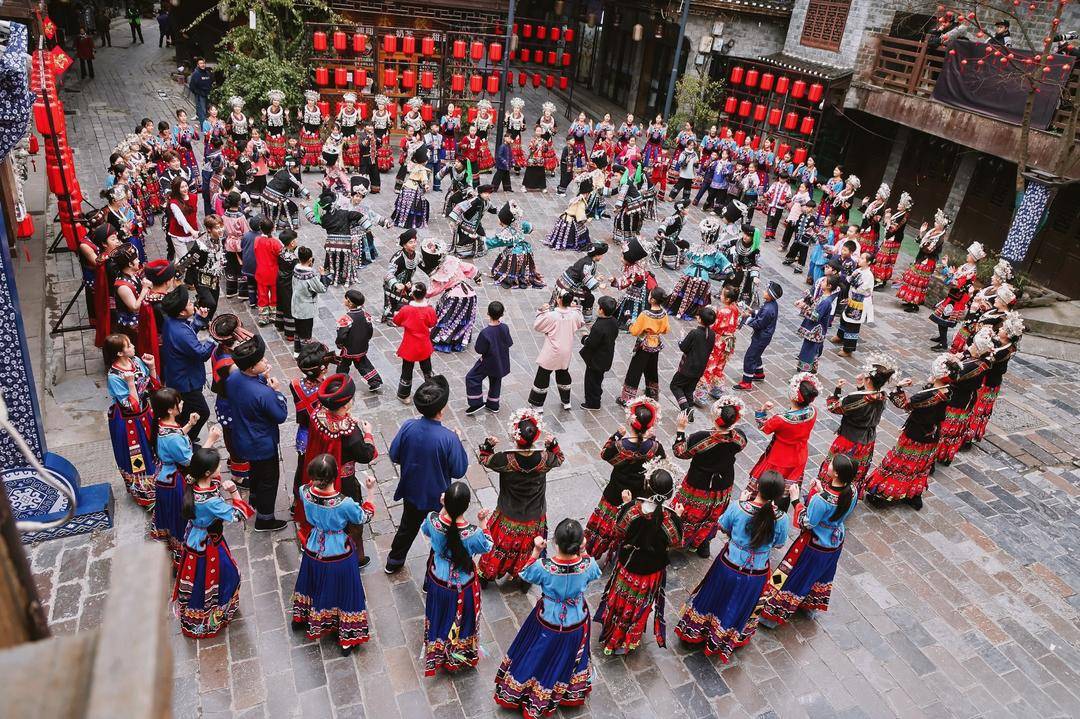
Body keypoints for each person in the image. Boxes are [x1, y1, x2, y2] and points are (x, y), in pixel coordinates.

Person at [674, 471, 793, 661]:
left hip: (729, 565)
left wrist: (741, 503)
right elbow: (779, 544)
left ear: (758, 487)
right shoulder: (782, 519)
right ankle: (722, 639)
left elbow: (722, 526)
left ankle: (696, 633)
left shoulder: (739, 507)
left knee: (712, 597)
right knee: (737, 605)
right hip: (756, 573)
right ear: (779, 495)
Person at [492, 520, 602, 715]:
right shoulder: (588, 565)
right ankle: (563, 691)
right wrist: (584, 551)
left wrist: (536, 551)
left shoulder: (545, 567)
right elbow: (596, 573)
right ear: (579, 543)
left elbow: (525, 573)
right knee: (568, 658)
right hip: (576, 621)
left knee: (536, 653)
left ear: (555, 543)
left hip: (548, 620)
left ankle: (524, 688)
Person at [594, 462, 683, 655]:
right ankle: (627, 640)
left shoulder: (632, 510)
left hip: (628, 566)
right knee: (638, 605)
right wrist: (678, 516)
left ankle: (612, 635)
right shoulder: (671, 520)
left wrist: (626, 503)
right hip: (650, 573)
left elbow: (618, 532)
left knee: (620, 600)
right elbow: (676, 542)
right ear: (670, 494)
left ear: (646, 485)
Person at [759, 455, 857, 628]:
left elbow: (807, 522)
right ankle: (808, 605)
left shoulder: (821, 500)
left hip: (813, 545)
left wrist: (796, 500)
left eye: (831, 464)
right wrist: (821, 490)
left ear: (836, 473)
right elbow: (836, 508)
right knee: (819, 576)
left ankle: (771, 615)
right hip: (834, 543)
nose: (828, 464)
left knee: (791, 575)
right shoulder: (853, 491)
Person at [291, 454, 376, 654]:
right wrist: (371, 492)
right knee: (346, 591)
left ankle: (302, 618)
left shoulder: (304, 492)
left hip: (314, 545)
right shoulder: (344, 503)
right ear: (336, 475)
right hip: (339, 551)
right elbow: (364, 517)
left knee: (310, 582)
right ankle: (347, 638)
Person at [385, 375, 469, 573]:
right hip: (439, 498)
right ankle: (433, 571)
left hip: (412, 492)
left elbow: (394, 454)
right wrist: (457, 441)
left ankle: (394, 561)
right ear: (441, 410)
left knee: (407, 527)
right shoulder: (449, 438)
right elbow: (459, 470)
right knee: (440, 535)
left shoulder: (408, 426)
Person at [294, 374, 379, 562]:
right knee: (351, 521)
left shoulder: (317, 414)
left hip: (323, 469)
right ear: (346, 405)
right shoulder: (350, 433)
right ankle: (355, 555)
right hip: (344, 481)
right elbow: (366, 455)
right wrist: (368, 434)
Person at [476, 409, 564, 585]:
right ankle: (524, 579)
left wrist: (488, 446)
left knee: (498, 548)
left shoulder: (505, 459)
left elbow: (484, 459)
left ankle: (486, 576)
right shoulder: (545, 458)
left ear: (516, 436)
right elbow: (559, 458)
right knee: (529, 549)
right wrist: (553, 445)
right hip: (534, 515)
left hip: (508, 514)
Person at [173, 448, 254, 638]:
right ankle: (214, 612)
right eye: (217, 466)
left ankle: (197, 610)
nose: (220, 468)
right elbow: (238, 515)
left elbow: (210, 479)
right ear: (208, 472)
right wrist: (234, 491)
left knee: (197, 577)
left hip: (195, 537)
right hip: (209, 543)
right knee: (227, 574)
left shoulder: (192, 481)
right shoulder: (211, 502)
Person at [864, 354, 958, 510]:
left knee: (901, 463)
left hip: (915, 434)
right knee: (920, 466)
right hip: (932, 435)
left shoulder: (928, 395)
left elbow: (904, 404)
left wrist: (898, 388)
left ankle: (884, 494)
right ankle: (913, 495)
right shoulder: (948, 390)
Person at [420, 481, 493, 676]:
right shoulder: (473, 534)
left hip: (437, 579)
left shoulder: (433, 520)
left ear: (445, 501)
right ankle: (456, 655)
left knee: (438, 614)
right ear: (467, 506)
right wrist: (483, 523)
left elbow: (425, 530)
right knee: (461, 622)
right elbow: (488, 546)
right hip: (462, 586)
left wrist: (443, 509)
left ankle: (437, 649)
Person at [584, 398, 665, 563]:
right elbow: (660, 462)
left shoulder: (619, 446)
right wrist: (652, 439)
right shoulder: (655, 447)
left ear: (631, 422)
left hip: (615, 492)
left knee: (605, 525)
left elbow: (604, 454)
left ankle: (591, 553)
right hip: (638, 494)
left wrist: (616, 435)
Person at [150, 388, 221, 566]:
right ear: (170, 410)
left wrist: (189, 425)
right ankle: (185, 556)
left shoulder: (161, 424)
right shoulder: (172, 437)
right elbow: (193, 462)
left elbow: (175, 438)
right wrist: (211, 440)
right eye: (178, 402)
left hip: (166, 475)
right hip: (175, 481)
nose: (182, 403)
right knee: (182, 518)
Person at [225, 334, 290, 531]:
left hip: (243, 437)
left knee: (255, 471)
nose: (266, 361)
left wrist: (264, 377)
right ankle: (265, 519)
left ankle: (254, 498)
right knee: (269, 479)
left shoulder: (234, 378)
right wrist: (277, 392)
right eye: (261, 360)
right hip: (262, 443)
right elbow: (280, 415)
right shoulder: (265, 393)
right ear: (251, 368)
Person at [673, 396, 748, 557]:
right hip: (723, 485)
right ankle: (703, 543)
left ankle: (679, 540)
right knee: (712, 515)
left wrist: (680, 429)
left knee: (690, 513)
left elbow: (680, 452)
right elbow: (741, 446)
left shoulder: (701, 437)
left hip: (698, 485)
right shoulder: (739, 437)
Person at [816, 357, 896, 492]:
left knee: (837, 468)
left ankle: (828, 493)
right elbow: (866, 402)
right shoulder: (882, 396)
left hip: (849, 440)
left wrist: (837, 390)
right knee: (856, 471)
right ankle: (849, 494)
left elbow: (833, 407)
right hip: (867, 441)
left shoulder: (855, 398)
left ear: (868, 380)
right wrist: (860, 387)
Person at [105, 333, 159, 507]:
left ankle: (161, 484)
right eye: (128, 345)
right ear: (119, 353)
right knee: (137, 457)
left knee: (154, 448)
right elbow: (131, 406)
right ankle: (146, 495)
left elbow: (153, 387)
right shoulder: (114, 376)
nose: (133, 346)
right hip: (130, 424)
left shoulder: (136, 361)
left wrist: (152, 367)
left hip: (146, 415)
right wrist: (130, 384)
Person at [748, 374, 821, 492]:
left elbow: (764, 427)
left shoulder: (781, 419)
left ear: (793, 396)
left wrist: (763, 410)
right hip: (800, 454)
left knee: (769, 488)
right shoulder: (813, 411)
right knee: (788, 488)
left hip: (779, 457)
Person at [159, 285, 213, 443]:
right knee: (202, 412)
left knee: (186, 411)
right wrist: (214, 338)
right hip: (186, 382)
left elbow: (188, 335)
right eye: (189, 303)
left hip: (177, 376)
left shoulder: (172, 322)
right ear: (182, 312)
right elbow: (201, 353)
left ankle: (182, 433)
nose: (192, 304)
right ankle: (186, 440)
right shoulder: (180, 331)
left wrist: (198, 320)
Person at [936, 327, 994, 466]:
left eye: (974, 345)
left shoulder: (974, 366)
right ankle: (944, 455)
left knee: (948, 428)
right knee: (952, 428)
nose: (971, 346)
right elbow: (966, 354)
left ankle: (941, 454)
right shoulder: (978, 360)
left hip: (959, 399)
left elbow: (951, 377)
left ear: (978, 350)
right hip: (962, 397)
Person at [208, 314, 252, 487]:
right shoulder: (231, 364)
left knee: (232, 436)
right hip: (231, 405)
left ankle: (234, 461)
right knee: (236, 440)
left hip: (224, 401)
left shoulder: (217, 351)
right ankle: (238, 476)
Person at [528, 292, 585, 412]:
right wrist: (574, 307)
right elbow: (580, 321)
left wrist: (541, 311)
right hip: (566, 351)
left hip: (552, 351)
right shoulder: (574, 315)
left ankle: (538, 404)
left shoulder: (552, 315)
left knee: (542, 375)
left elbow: (538, 326)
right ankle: (566, 401)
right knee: (563, 373)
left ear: (559, 300)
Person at [930, 242, 985, 350]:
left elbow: (956, 283)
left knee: (944, 319)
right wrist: (947, 267)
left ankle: (943, 343)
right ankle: (942, 338)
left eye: (969, 254)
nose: (967, 255)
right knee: (943, 317)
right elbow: (954, 278)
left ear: (973, 258)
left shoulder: (971, 272)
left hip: (956, 299)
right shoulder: (965, 266)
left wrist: (949, 271)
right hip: (953, 296)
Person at [619, 287, 670, 404]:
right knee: (652, 370)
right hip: (656, 344)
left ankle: (627, 398)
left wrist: (628, 321)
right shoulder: (664, 313)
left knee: (635, 371)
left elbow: (635, 331)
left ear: (652, 300)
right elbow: (666, 330)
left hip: (644, 345)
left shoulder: (645, 314)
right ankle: (652, 394)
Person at [464, 301, 513, 415]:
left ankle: (476, 403)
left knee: (472, 377)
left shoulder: (485, 333)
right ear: (502, 314)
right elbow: (509, 343)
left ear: (488, 313)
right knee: (496, 381)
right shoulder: (505, 328)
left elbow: (479, 349)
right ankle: (493, 404)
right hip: (501, 361)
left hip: (488, 362)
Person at [669, 306, 716, 420]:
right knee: (689, 390)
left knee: (675, 385)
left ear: (700, 319)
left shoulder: (694, 333)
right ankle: (690, 414)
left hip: (687, 367)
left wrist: (681, 338)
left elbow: (684, 347)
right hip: (700, 368)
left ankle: (686, 408)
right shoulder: (712, 334)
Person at [897, 209, 949, 312]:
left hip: (927, 261)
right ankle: (910, 300)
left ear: (941, 225)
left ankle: (915, 304)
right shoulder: (932, 232)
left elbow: (928, 249)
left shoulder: (940, 238)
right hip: (922, 258)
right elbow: (920, 243)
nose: (935, 223)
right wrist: (921, 233)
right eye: (936, 221)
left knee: (919, 282)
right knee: (913, 278)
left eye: (937, 222)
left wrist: (922, 241)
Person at [393, 284, 437, 402]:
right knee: (427, 370)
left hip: (410, 346)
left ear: (412, 295)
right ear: (425, 294)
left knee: (407, 371)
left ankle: (404, 395)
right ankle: (432, 392)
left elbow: (396, 321)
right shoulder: (430, 310)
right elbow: (432, 323)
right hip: (424, 345)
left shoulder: (406, 309)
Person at [696, 288, 740, 404]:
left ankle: (701, 395)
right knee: (720, 366)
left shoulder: (723, 311)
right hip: (729, 342)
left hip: (719, 341)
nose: (720, 296)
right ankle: (717, 389)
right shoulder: (735, 309)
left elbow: (714, 326)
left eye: (722, 295)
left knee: (710, 365)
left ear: (727, 299)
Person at [488, 200, 544, 289]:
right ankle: (521, 274)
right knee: (522, 263)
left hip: (514, 253)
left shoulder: (508, 233)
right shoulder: (519, 224)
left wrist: (482, 241)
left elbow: (495, 242)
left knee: (511, 264)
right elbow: (528, 227)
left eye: (501, 221)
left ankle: (512, 277)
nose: (500, 223)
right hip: (525, 250)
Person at [334, 289, 382, 391]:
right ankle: (375, 381)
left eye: (346, 298)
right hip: (362, 346)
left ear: (350, 303)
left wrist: (339, 344)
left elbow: (341, 336)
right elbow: (370, 331)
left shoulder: (346, 319)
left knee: (343, 365)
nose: (344, 300)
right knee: (363, 363)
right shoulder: (366, 315)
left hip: (349, 349)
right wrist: (365, 340)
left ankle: (339, 383)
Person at [579, 296, 619, 410]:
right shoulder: (614, 321)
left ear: (601, 310)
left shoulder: (599, 327)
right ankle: (596, 398)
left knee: (591, 381)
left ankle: (593, 403)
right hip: (606, 356)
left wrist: (584, 337)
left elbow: (591, 343)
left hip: (596, 360)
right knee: (598, 379)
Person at [551, 243, 607, 323]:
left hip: (562, 282)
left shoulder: (586, 260)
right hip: (567, 286)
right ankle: (585, 318)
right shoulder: (588, 264)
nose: (602, 257)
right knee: (589, 297)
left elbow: (583, 275)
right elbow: (586, 277)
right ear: (597, 255)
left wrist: (595, 278)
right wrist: (598, 285)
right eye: (601, 255)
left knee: (586, 292)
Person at [796, 274, 841, 373]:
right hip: (814, 331)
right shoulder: (823, 296)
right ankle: (810, 370)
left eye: (824, 281)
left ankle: (805, 373)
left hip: (815, 331)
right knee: (810, 350)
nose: (821, 282)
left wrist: (804, 307)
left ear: (829, 286)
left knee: (808, 352)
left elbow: (816, 316)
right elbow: (815, 305)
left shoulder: (826, 302)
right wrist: (807, 299)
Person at [834, 251, 875, 356]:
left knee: (853, 324)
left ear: (868, 262)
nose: (859, 260)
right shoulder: (858, 270)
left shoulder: (869, 275)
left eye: (862, 258)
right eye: (860, 257)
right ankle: (840, 336)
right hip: (852, 299)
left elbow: (861, 289)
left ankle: (848, 349)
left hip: (859, 303)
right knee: (844, 319)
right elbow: (849, 281)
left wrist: (852, 281)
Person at [291, 246, 330, 355]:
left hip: (296, 304)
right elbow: (322, 288)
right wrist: (322, 275)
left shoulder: (296, 269)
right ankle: (305, 355)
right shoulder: (310, 275)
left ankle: (297, 351)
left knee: (298, 330)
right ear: (310, 259)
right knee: (306, 334)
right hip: (306, 308)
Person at [873, 192, 913, 288]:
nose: (898, 204)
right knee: (882, 257)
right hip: (890, 238)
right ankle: (878, 277)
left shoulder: (904, 216)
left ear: (905, 206)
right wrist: (887, 217)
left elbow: (893, 229)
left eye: (900, 204)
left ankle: (881, 279)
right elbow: (886, 225)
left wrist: (887, 219)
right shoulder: (899, 214)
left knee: (885, 259)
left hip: (893, 239)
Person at [382, 230, 420, 323]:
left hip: (407, 283)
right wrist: (396, 284)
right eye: (410, 242)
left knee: (411, 300)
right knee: (392, 306)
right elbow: (388, 274)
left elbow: (424, 265)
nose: (414, 244)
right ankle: (391, 318)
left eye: (415, 242)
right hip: (394, 285)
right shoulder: (398, 257)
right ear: (404, 245)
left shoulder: (416, 255)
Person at [545, 178, 591, 251]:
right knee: (584, 231)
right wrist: (586, 220)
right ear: (587, 193)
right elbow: (580, 217)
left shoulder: (577, 198)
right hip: (570, 221)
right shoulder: (581, 202)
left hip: (563, 219)